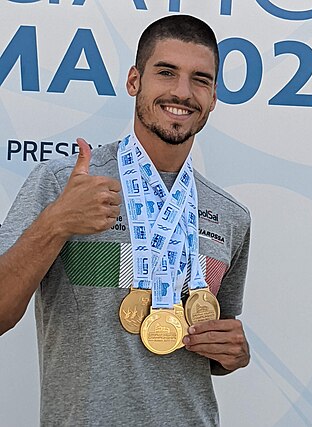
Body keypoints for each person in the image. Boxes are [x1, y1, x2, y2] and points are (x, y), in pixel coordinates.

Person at [0, 14, 250, 426]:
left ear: (213, 96)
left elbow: (216, 335)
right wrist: (56, 222)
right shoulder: (64, 185)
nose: (182, 92)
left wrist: (231, 355)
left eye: (200, 79)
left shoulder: (231, 216)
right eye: (166, 72)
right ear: (135, 81)